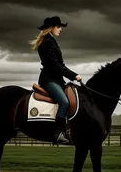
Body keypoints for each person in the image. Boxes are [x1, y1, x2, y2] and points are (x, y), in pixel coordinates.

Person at [30, 16, 82, 144]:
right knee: (64, 102)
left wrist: (71, 75)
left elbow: (60, 65)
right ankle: (58, 133)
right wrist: (74, 75)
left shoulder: (51, 41)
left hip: (56, 80)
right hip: (49, 80)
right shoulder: (48, 43)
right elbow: (55, 65)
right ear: (51, 28)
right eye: (58, 27)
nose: (60, 30)